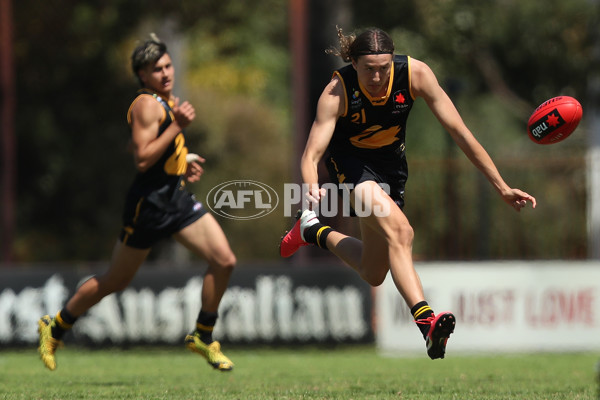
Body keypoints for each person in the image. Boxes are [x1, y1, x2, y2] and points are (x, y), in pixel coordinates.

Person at [280, 27, 536, 359]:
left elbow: (460, 133)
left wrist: (501, 186)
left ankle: (312, 230)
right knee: (402, 231)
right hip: (350, 166)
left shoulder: (416, 74)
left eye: (383, 68)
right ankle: (427, 322)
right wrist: (311, 183)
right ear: (353, 63)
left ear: (393, 61)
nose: (376, 76)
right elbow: (312, 153)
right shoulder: (337, 90)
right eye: (368, 68)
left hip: (391, 167)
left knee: (373, 272)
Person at [37, 34, 236, 371]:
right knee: (115, 280)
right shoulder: (147, 104)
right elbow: (142, 158)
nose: (166, 73)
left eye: (168, 65)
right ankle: (55, 326)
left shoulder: (167, 101)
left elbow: (147, 148)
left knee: (225, 260)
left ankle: (202, 335)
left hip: (175, 197)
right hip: (149, 204)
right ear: (143, 75)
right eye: (156, 69)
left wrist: (182, 160)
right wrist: (178, 127)